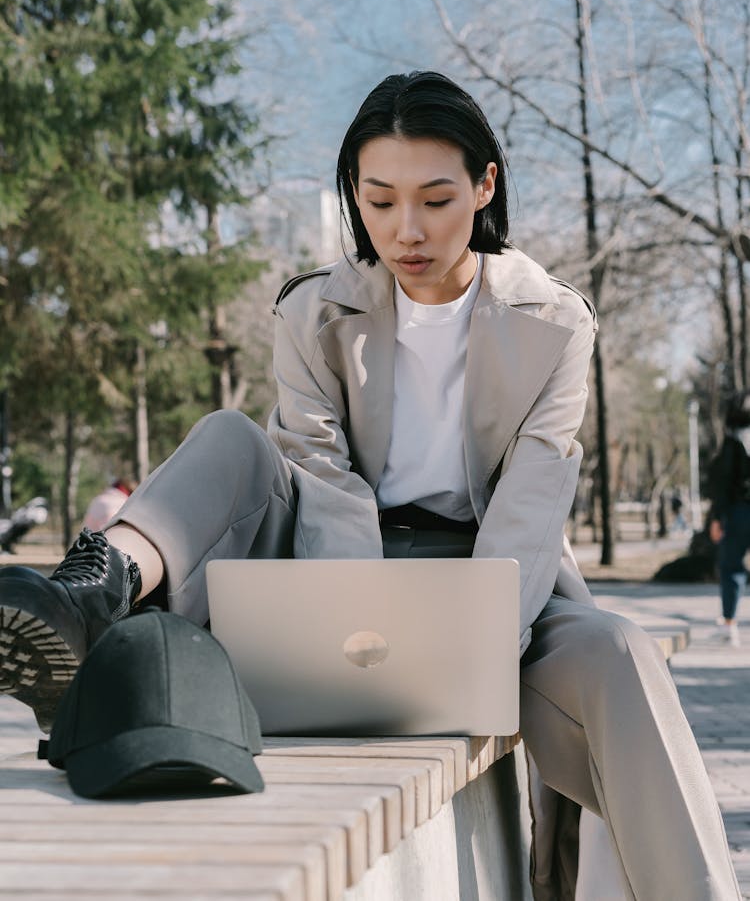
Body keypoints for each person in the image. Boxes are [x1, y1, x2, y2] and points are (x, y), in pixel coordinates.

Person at [0, 71, 739, 899]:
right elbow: (320, 477)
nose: (406, 229)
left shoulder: (555, 322)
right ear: (354, 194)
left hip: (492, 586)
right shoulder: (312, 312)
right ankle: (88, 593)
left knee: (621, 651)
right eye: (379, 200)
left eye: (435, 198)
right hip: (324, 565)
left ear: (484, 185)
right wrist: (357, 624)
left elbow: (532, 502)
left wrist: (474, 642)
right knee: (232, 437)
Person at [708, 391, 750, 648]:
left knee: (731, 567)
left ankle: (730, 625)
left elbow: (722, 481)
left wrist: (716, 517)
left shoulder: (735, 440)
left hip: (740, 511)